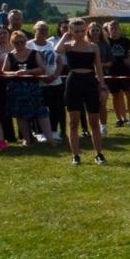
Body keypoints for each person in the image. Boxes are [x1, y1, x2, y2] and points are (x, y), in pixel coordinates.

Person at [54, 18, 108, 165]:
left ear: (86, 30)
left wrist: (102, 86)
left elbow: (98, 68)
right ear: (71, 31)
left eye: (82, 31)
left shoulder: (93, 47)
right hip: (74, 82)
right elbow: (56, 50)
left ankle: (99, 153)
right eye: (75, 31)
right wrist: (65, 36)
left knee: (94, 121)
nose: (79, 34)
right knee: (73, 122)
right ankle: (75, 155)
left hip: (90, 81)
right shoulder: (67, 46)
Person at [0, 29, 52, 146]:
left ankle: (50, 139)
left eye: (22, 42)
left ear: (25, 41)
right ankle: (27, 139)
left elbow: (42, 68)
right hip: (16, 89)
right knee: (21, 115)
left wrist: (28, 71)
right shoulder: (9, 56)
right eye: (16, 43)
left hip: (33, 87)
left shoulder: (34, 53)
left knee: (41, 113)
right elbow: (3, 72)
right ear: (12, 43)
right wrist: (14, 73)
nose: (20, 45)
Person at [102, 20, 130, 128]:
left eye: (116, 28)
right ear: (109, 30)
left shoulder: (127, 41)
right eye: (112, 28)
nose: (114, 30)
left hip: (125, 72)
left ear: (119, 29)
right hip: (112, 73)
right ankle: (119, 119)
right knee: (115, 96)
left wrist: (129, 59)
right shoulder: (106, 42)